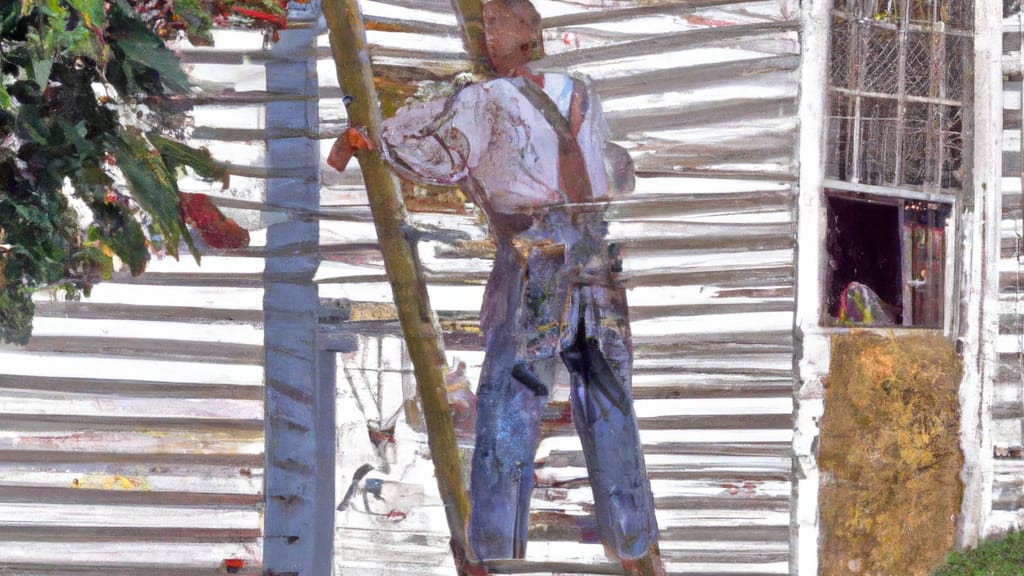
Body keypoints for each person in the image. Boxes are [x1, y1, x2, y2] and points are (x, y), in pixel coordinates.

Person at [329, 1, 663, 573]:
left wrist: (370, 141)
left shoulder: (483, 99)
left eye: (494, 27)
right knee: (609, 406)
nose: (487, 36)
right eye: (484, 26)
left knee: (511, 406)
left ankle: (493, 553)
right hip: (595, 261)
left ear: (517, 37)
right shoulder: (579, 91)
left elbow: (443, 160)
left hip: (537, 261)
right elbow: (614, 170)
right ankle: (632, 543)